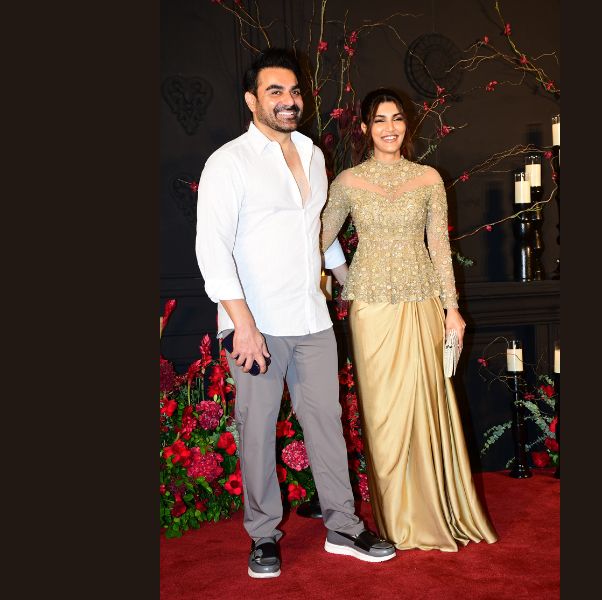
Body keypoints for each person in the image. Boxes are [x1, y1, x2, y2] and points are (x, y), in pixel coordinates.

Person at [195, 49, 395, 579]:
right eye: (275, 92)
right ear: (251, 100)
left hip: (312, 319)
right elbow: (212, 252)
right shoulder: (228, 162)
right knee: (257, 430)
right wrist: (242, 325)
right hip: (255, 325)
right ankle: (263, 535)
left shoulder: (311, 152)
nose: (288, 101)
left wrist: (352, 284)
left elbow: (317, 235)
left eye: (294, 91)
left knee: (327, 424)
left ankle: (343, 526)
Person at [320, 88, 499, 552]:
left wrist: (452, 308)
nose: (390, 128)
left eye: (397, 118)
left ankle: (432, 512)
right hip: (370, 309)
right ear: (365, 128)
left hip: (422, 303)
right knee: (382, 416)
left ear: (407, 125)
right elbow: (317, 238)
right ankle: (395, 521)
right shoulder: (348, 182)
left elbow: (439, 246)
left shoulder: (428, 178)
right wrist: (343, 278)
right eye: (380, 120)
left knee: (425, 408)